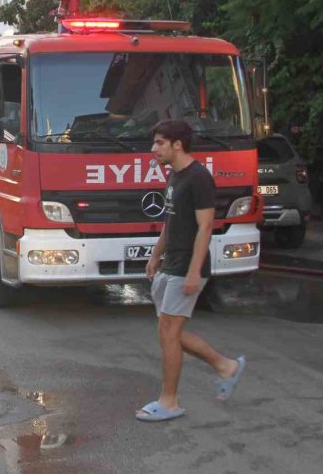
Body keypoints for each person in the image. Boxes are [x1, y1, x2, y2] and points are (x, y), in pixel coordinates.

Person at [137, 120, 245, 422]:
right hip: (172, 263)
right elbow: (170, 222)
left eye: (159, 142)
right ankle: (226, 366)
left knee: (169, 333)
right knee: (169, 333)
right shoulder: (175, 176)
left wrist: (195, 271)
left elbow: (205, 226)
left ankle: (169, 401)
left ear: (177, 144)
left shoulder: (199, 178)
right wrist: (156, 255)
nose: (153, 149)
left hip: (187, 266)